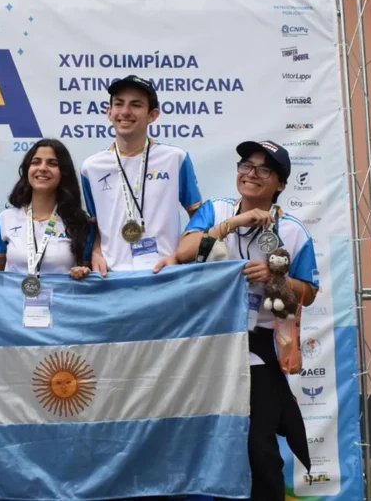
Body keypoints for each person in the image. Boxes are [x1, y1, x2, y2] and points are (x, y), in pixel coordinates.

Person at [157, 140, 317, 500]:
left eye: (264, 169)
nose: (251, 174)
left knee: (259, 447)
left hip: (255, 345)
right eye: (246, 165)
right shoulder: (216, 210)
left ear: (279, 184)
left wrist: (275, 278)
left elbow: (308, 292)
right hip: (206, 342)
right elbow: (184, 253)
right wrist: (234, 223)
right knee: (197, 440)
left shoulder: (292, 231)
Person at [80, 75, 202, 275]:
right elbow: (95, 225)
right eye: (119, 104)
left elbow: (198, 217)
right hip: (112, 277)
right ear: (109, 112)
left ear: (152, 115)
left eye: (136, 105)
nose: (125, 112)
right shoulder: (91, 167)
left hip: (164, 275)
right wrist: (95, 251)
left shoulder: (175, 158)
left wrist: (179, 255)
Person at [0, 138, 92, 281]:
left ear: (63, 172)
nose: (42, 168)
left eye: (52, 163)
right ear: (27, 169)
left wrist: (84, 272)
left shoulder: (80, 222)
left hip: (62, 302)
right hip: (13, 302)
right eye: (36, 162)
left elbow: (89, 274)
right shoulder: (6, 218)